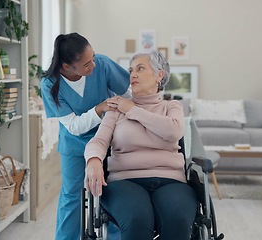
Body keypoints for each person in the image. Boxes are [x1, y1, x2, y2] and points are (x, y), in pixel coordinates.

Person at [84, 49, 198, 240]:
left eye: (140, 68)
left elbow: (173, 131)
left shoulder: (171, 107)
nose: (133, 74)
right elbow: (99, 141)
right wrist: (94, 160)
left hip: (171, 181)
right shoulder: (116, 108)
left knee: (177, 219)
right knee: (137, 219)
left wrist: (132, 109)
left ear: (159, 75)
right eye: (131, 70)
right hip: (125, 181)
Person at [41, 32, 131, 240]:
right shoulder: (50, 84)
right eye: (86, 64)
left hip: (107, 138)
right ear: (66, 67)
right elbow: (73, 126)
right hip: (74, 144)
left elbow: (129, 95)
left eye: (93, 58)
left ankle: (117, 237)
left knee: (113, 192)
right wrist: (99, 109)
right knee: (71, 195)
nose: (93, 66)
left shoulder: (103, 64)